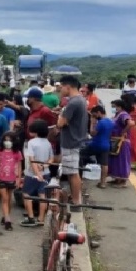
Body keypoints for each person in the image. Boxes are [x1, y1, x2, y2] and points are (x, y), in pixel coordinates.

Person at [56, 75, 88, 208]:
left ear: (68, 87)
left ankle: (76, 201)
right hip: (75, 140)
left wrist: (60, 114)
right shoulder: (80, 100)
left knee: (73, 173)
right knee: (70, 171)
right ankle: (75, 197)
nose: (60, 89)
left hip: (71, 141)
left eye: (61, 87)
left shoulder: (73, 102)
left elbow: (60, 123)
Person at [20, 119, 53, 227]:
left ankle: (30, 217)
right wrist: (44, 166)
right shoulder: (48, 143)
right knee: (42, 195)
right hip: (46, 173)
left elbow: (32, 160)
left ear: (36, 131)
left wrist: (37, 173)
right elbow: (51, 158)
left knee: (26, 194)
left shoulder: (31, 143)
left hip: (32, 174)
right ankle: (41, 218)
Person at [0, 131, 23, 231]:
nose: (7, 142)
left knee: (9, 199)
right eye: (5, 140)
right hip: (1, 178)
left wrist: (18, 179)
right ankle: (7, 221)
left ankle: (5, 216)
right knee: (5, 199)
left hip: (12, 178)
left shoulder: (17, 153)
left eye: (10, 140)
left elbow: (19, 166)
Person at [86, 106, 114, 188]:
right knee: (104, 164)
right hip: (106, 145)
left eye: (94, 115)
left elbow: (92, 133)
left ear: (99, 112)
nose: (94, 117)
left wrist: (92, 123)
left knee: (81, 153)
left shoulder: (101, 123)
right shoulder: (110, 121)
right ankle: (103, 183)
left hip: (96, 144)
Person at [108, 99, 133, 187]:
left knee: (121, 161)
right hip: (116, 140)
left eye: (114, 106)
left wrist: (123, 131)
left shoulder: (123, 114)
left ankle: (122, 181)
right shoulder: (118, 115)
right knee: (116, 160)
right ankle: (117, 179)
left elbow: (130, 123)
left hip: (122, 141)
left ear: (119, 106)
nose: (113, 108)